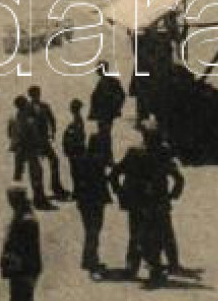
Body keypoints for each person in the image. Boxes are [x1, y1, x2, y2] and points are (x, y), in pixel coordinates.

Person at [110, 121, 185, 287]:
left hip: (137, 202)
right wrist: (172, 195)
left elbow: (115, 174)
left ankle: (133, 266)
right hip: (156, 202)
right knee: (158, 235)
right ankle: (156, 269)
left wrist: (121, 193)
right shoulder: (162, 153)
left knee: (136, 234)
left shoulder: (134, 152)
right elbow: (178, 178)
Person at [0, 186, 43, 301]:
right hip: (18, 268)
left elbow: (24, 248)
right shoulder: (21, 215)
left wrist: (13, 262)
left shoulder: (26, 220)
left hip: (25, 269)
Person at [68, 110, 113, 275]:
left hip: (83, 200)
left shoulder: (81, 159)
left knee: (89, 229)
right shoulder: (97, 161)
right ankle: (90, 260)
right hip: (95, 199)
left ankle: (88, 259)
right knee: (94, 229)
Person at [6, 97, 50, 211]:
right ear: (24, 106)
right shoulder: (30, 121)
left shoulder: (12, 118)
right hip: (30, 149)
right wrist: (40, 148)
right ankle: (39, 198)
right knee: (36, 174)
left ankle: (15, 197)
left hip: (18, 149)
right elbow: (35, 136)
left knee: (18, 173)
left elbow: (9, 133)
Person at [26, 86, 68, 200]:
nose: (37, 96)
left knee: (55, 160)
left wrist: (53, 132)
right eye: (35, 94)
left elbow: (52, 119)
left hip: (44, 141)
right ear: (31, 95)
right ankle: (39, 192)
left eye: (38, 93)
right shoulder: (27, 108)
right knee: (38, 168)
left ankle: (55, 186)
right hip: (35, 143)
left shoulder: (45, 106)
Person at [87, 64, 126, 151]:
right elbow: (121, 95)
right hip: (105, 114)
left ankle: (107, 156)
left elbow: (119, 95)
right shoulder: (110, 81)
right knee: (105, 135)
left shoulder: (106, 82)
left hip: (104, 114)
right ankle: (107, 155)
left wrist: (115, 107)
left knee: (104, 135)